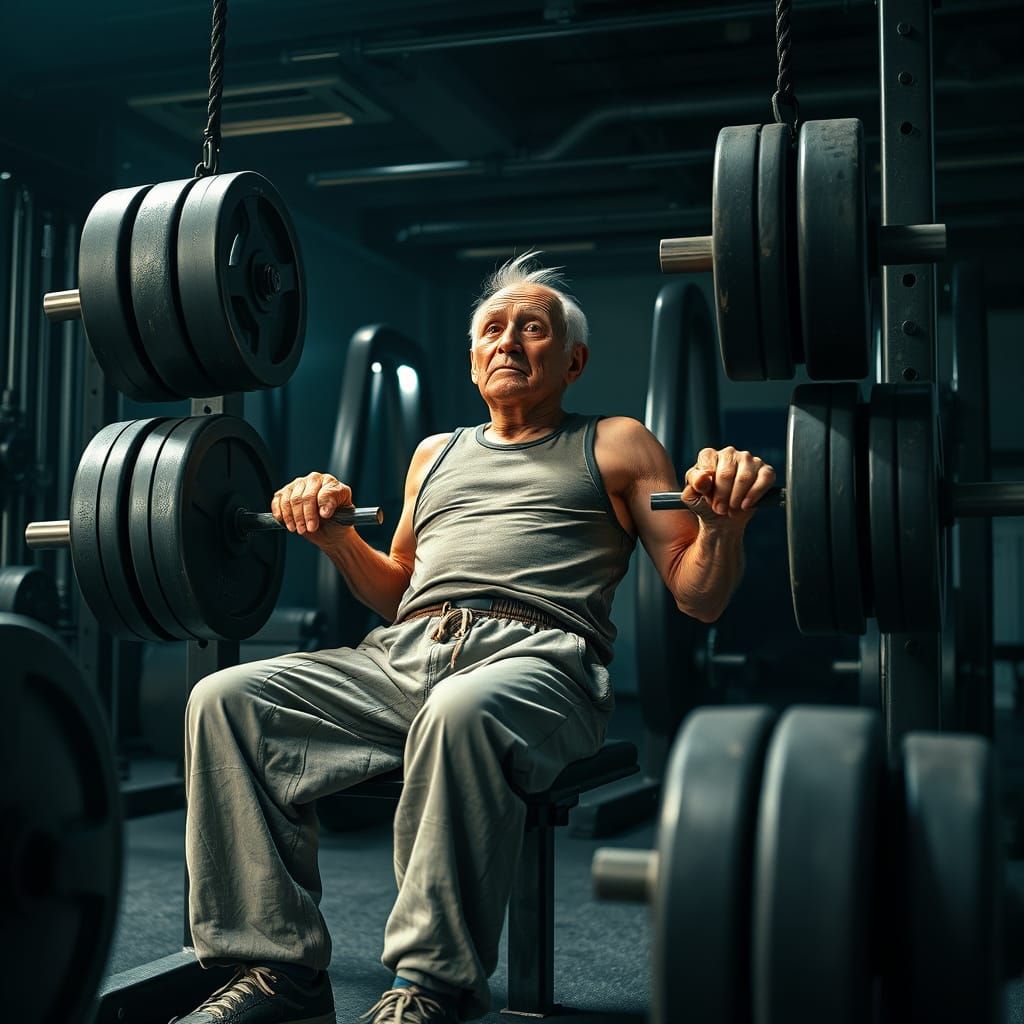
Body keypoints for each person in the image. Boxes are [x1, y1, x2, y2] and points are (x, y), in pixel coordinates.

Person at [174, 252, 776, 1024]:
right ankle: (277, 974)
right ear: (471, 358)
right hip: (405, 655)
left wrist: (721, 528)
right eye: (494, 329)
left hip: (541, 662)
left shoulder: (618, 442)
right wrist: (333, 541)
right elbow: (398, 591)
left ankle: (433, 988)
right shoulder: (435, 454)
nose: (509, 342)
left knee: (458, 711)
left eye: (533, 329)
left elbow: (698, 595)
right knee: (223, 700)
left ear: (573, 360)